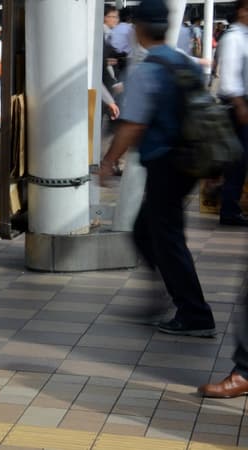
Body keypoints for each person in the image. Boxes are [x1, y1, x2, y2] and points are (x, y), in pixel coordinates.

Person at [99, 0, 216, 338]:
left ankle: (194, 313)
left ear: (137, 29)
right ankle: (168, 293)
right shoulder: (185, 63)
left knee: (166, 239)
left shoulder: (148, 70)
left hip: (167, 163)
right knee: (146, 232)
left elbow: (132, 126)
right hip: (189, 161)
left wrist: (108, 162)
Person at [216, 3, 248, 227]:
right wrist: (240, 106)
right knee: (237, 161)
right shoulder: (233, 38)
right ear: (241, 10)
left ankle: (230, 204)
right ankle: (229, 209)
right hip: (238, 106)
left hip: (242, 104)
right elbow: (228, 79)